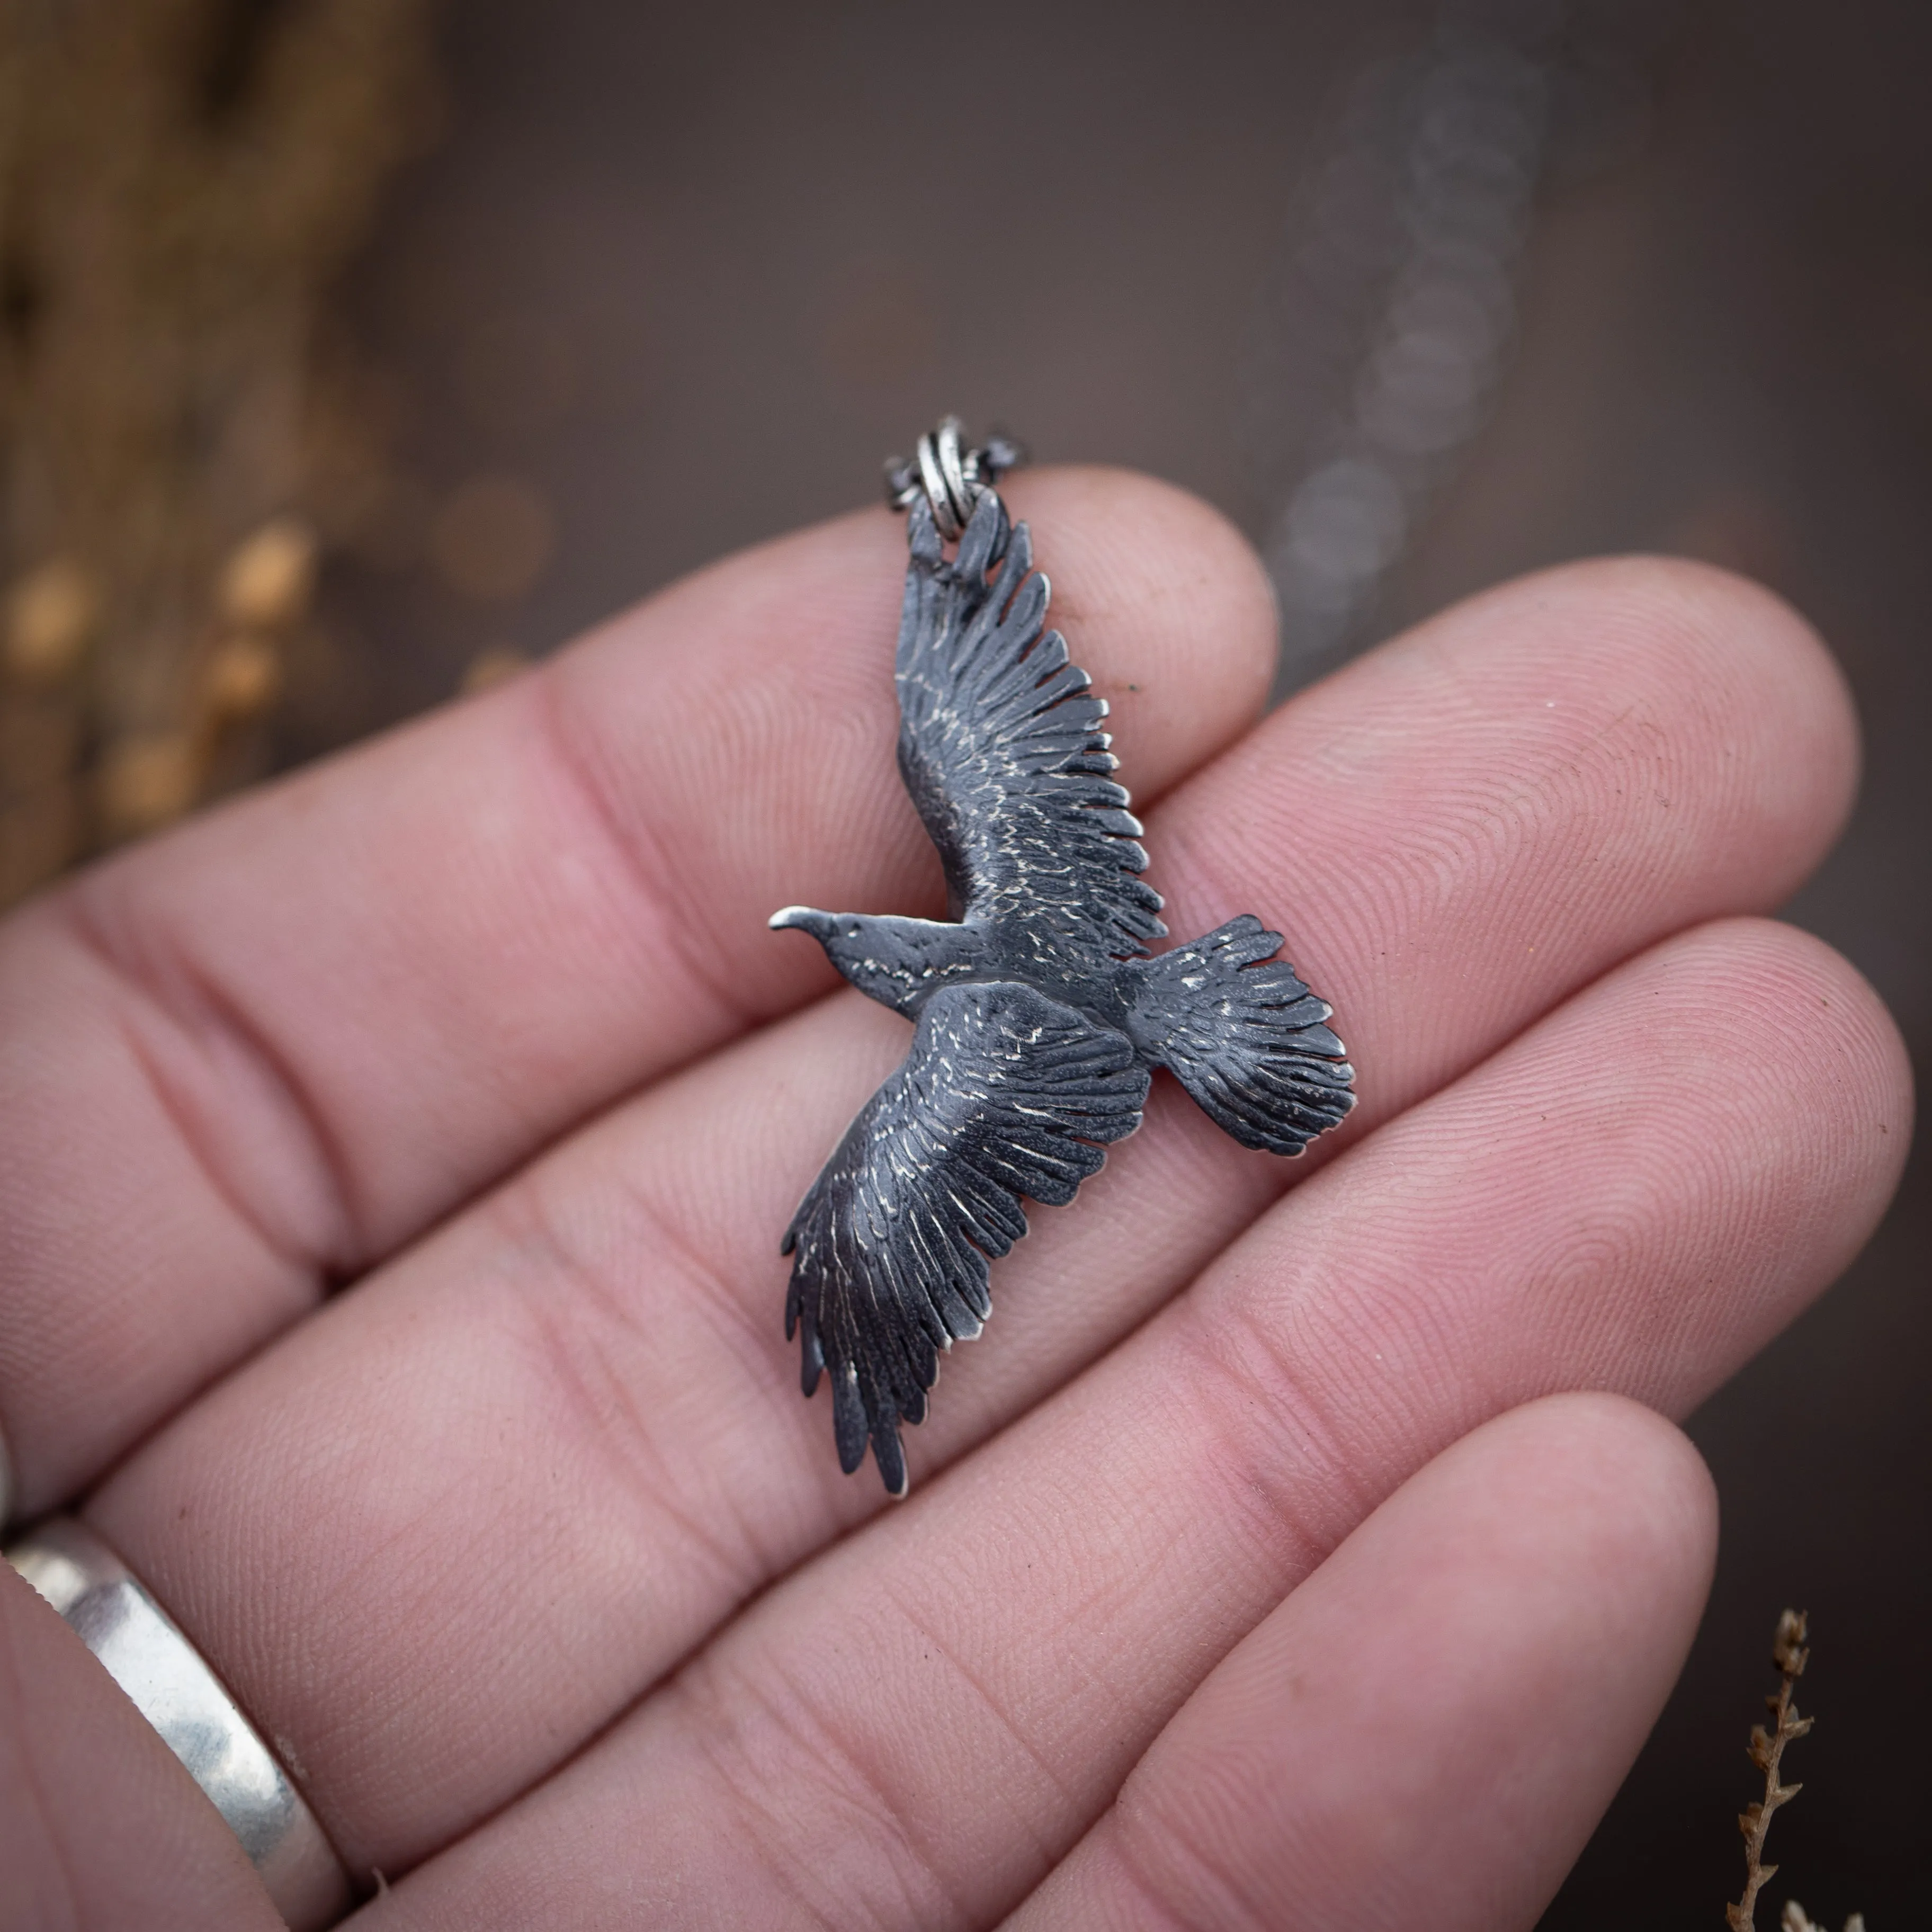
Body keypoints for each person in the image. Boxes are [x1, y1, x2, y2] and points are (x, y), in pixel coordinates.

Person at [0, 467, 1910, 1930]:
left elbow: (913, 1083)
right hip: (1176, 1001)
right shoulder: (994, 904)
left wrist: (957, 549)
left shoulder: (953, 1031)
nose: (848, 956)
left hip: (1179, 1022)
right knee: (879, 1158)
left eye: (858, 951)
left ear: (896, 968)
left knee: (878, 1161)